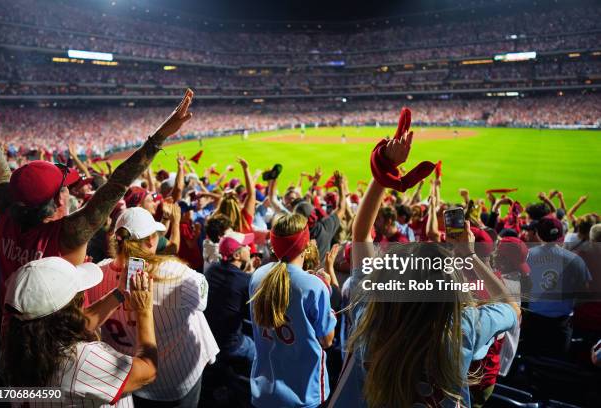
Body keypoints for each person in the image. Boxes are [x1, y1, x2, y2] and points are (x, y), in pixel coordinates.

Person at [328, 110, 519, 408]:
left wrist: (384, 170)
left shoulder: (369, 314)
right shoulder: (462, 329)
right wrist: (468, 256)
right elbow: (512, 309)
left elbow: (360, 235)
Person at [0, 89, 194, 302]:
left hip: (11, 326)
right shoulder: (67, 235)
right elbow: (118, 183)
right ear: (59, 199)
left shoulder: (5, 213)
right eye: (66, 187)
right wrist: (161, 135)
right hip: (64, 332)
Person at [86, 207, 218, 408]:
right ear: (150, 241)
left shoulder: (97, 274)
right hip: (176, 381)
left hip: (132, 380)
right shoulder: (176, 275)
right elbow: (203, 299)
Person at [0, 256, 157, 407]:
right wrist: (144, 310)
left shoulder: (18, 338)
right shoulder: (83, 360)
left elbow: (70, 324)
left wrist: (120, 293)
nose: (82, 298)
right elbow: (148, 371)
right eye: (79, 295)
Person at [249, 213, 336, 407]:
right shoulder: (314, 286)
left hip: (263, 391)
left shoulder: (258, 275)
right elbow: (327, 340)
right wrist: (326, 290)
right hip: (302, 394)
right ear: (306, 246)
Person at [522, 215, 591, 357]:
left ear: (539, 234)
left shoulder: (527, 256)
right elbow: (585, 294)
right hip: (562, 323)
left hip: (533, 321)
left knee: (532, 363)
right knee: (556, 366)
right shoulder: (575, 259)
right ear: (561, 235)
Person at [205, 230, 256, 364]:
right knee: (261, 355)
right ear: (237, 255)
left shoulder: (211, 270)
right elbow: (253, 315)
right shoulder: (246, 281)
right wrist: (251, 277)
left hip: (208, 340)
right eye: (245, 245)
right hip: (229, 345)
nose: (249, 247)